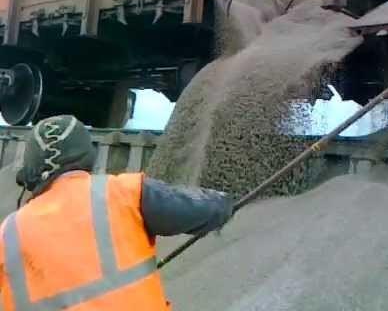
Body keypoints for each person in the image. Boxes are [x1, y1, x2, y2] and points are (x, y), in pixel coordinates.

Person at [0, 115, 233, 310]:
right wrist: (224, 203)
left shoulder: (8, 233)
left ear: (28, 173)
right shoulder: (124, 192)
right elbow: (200, 209)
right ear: (87, 156)